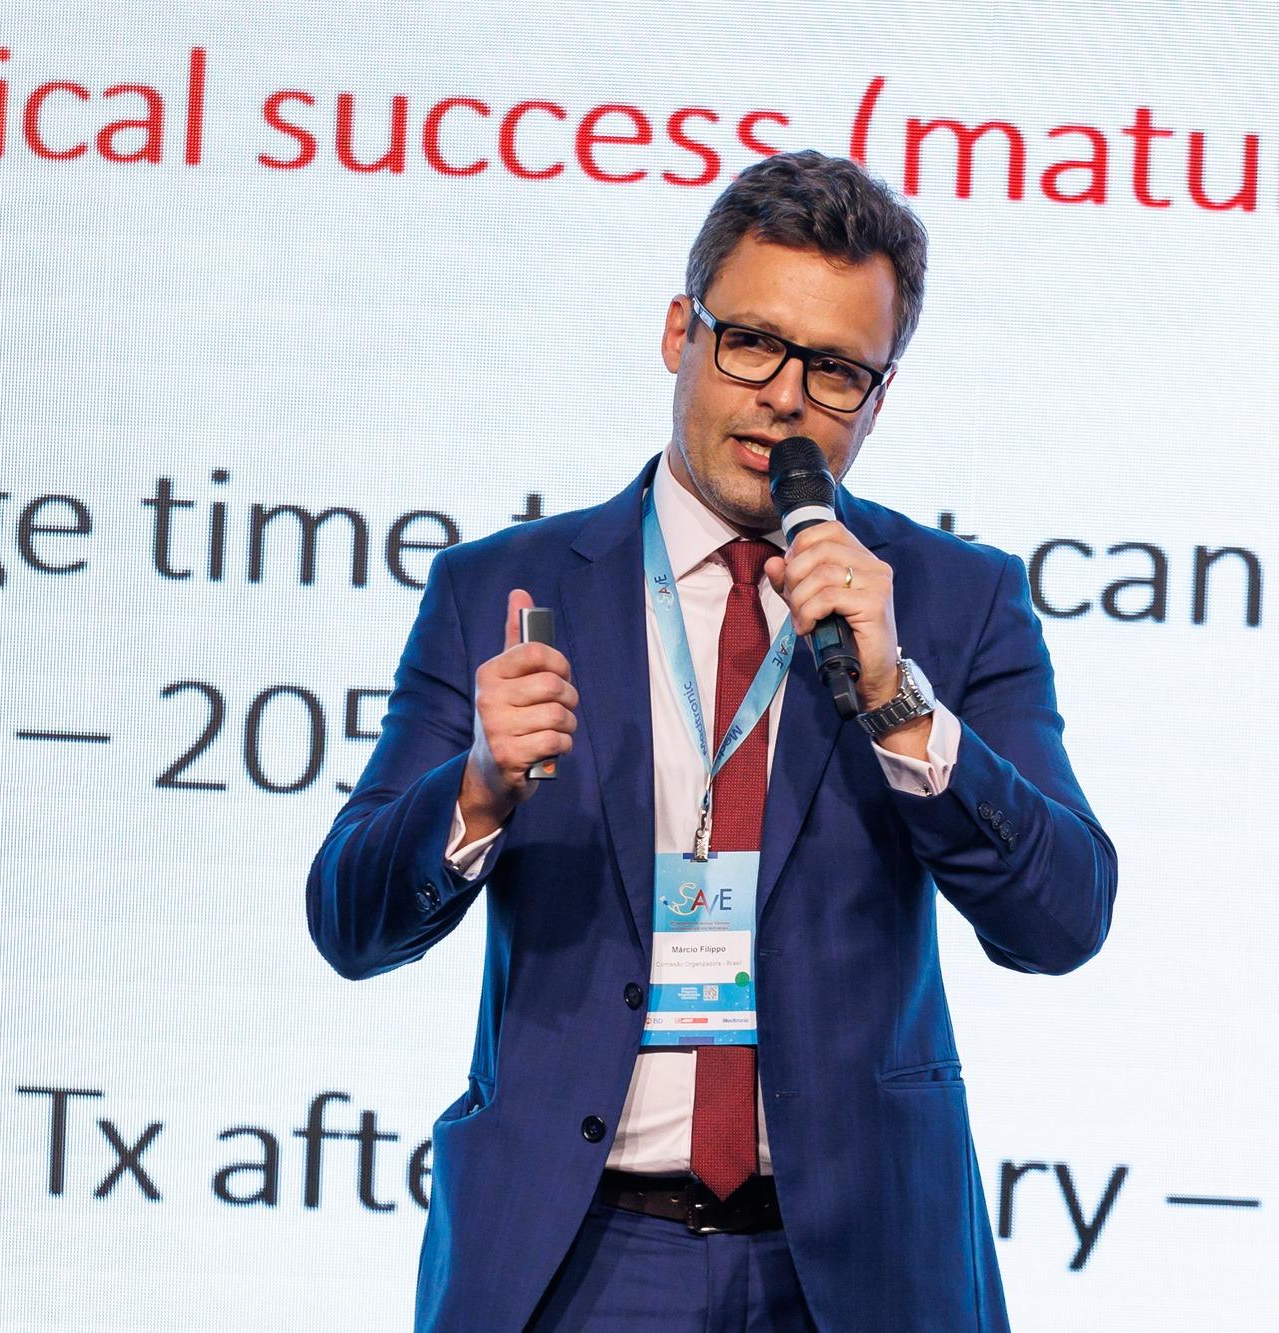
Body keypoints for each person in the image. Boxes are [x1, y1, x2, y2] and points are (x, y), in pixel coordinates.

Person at [306, 149, 1117, 1332]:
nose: (784, 396)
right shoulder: (504, 588)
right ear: (679, 331)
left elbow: (1061, 921)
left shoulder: (952, 599)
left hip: (858, 1264)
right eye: (750, 343)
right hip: (576, 1255)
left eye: (833, 369)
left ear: (878, 395)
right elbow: (350, 924)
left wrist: (896, 701)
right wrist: (476, 790)